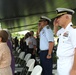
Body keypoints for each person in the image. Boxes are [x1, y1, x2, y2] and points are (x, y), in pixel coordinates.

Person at [53, 8, 76, 75]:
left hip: (68, 63)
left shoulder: (73, 31)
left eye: (59, 17)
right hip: (61, 62)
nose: (57, 19)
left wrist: (74, 69)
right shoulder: (63, 30)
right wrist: (55, 26)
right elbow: (56, 33)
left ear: (66, 17)